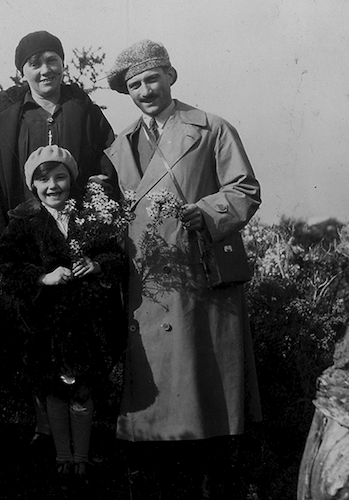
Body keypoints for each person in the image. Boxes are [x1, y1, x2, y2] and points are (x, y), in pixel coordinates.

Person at [103, 40, 262, 499]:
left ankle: (215, 479)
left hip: (199, 272)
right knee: (156, 396)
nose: (145, 90)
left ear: (171, 76)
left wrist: (207, 212)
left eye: (152, 78)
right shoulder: (122, 143)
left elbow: (244, 188)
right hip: (149, 280)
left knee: (204, 388)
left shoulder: (212, 128)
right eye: (134, 84)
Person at [0, 29, 115, 446]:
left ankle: (78, 421)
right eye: (34, 62)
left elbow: (107, 161)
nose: (44, 69)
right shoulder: (7, 114)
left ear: (62, 64)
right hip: (25, 232)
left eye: (51, 59)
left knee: (72, 326)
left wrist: (98, 217)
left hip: (72, 231)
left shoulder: (82, 108)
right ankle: (43, 422)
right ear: (22, 72)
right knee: (30, 325)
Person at [0, 145, 126, 486]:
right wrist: (43, 277)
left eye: (60, 177)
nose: (52, 185)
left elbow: (116, 256)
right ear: (33, 185)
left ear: (72, 179)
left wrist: (97, 265)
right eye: (43, 180)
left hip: (85, 321)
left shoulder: (89, 216)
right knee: (52, 388)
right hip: (44, 322)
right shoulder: (23, 222)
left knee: (82, 389)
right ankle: (61, 457)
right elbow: (8, 266)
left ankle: (81, 458)